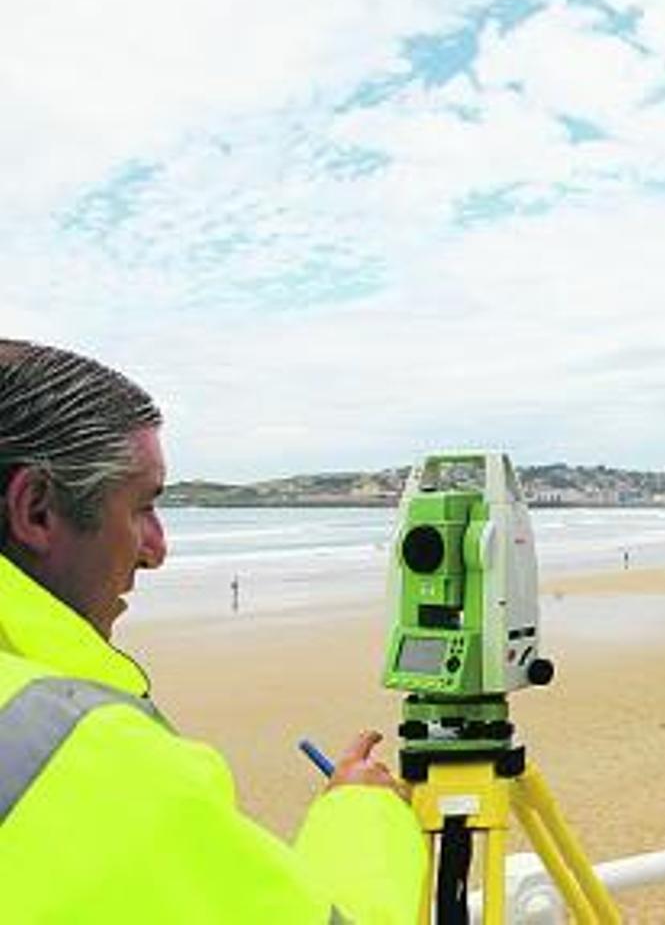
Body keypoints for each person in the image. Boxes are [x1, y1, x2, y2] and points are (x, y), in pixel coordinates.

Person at [0, 340, 424, 922]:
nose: (157, 550)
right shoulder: (77, 755)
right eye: (143, 506)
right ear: (37, 511)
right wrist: (362, 812)